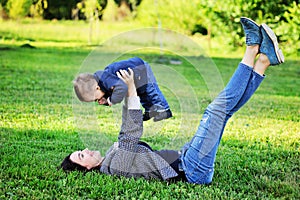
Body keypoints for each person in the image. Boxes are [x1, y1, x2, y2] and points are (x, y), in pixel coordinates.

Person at [60, 17, 284, 184]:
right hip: (191, 170)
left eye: (82, 150)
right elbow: (130, 133)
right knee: (215, 112)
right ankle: (251, 48)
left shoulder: (111, 157)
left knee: (223, 112)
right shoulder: (112, 166)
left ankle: (262, 61)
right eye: (82, 156)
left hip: (187, 158)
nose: (87, 150)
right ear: (87, 169)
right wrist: (130, 91)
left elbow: (128, 136)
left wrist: (129, 91)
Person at [73, 57, 172, 122]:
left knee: (151, 90)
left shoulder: (104, 78)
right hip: (136, 77)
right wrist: (107, 101)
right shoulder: (102, 83)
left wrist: (111, 100)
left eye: (95, 99)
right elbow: (113, 91)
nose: (98, 101)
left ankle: (165, 109)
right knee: (143, 94)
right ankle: (150, 110)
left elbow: (121, 88)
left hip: (141, 68)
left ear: (97, 88)